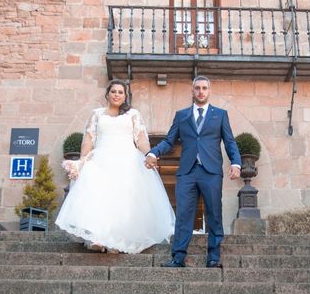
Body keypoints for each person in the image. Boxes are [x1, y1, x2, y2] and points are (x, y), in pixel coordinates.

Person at [55, 79, 175, 254]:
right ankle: (97, 237)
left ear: (125, 96)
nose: (117, 95)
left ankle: (116, 240)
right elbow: (88, 139)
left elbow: (141, 139)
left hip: (127, 160)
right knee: (98, 197)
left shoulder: (133, 114)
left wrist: (149, 155)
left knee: (122, 201)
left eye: (120, 92)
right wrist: (81, 162)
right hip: (100, 159)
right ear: (107, 94)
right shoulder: (97, 114)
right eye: (113, 91)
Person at [146, 76, 241, 268]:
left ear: (209, 91)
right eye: (197, 88)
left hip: (211, 171)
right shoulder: (182, 116)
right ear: (192, 91)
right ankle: (178, 257)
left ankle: (213, 256)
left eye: (204, 88)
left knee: (214, 213)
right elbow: (168, 141)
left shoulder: (220, 114)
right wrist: (153, 152)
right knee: (183, 214)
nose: (201, 91)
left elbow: (229, 141)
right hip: (187, 172)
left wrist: (236, 163)